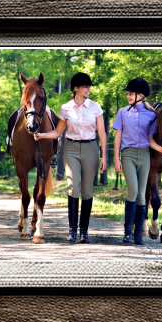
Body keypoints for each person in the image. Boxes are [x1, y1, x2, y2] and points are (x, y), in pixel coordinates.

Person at [35, 72, 107, 244]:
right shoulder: (65, 108)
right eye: (85, 87)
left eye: (89, 87)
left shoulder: (95, 107)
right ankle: (72, 231)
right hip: (71, 149)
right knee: (73, 188)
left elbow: (103, 133)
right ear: (76, 89)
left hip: (90, 148)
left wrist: (104, 156)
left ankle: (84, 232)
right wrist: (42, 135)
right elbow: (58, 132)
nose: (88, 89)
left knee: (87, 192)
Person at [113, 78, 162, 245]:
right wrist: (117, 158)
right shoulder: (123, 112)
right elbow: (118, 137)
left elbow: (150, 140)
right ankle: (127, 232)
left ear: (141, 95)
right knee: (134, 191)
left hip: (145, 155)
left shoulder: (151, 115)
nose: (128, 96)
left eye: (131, 94)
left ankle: (138, 235)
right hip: (128, 154)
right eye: (128, 94)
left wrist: (161, 149)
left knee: (142, 196)